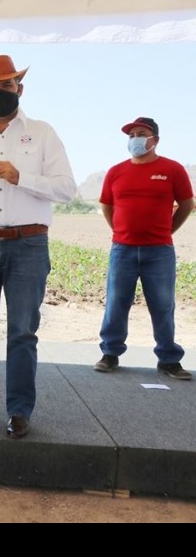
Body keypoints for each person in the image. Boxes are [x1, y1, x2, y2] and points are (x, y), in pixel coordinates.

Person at [0, 55, 76, 439]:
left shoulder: (42, 133)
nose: (0, 91)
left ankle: (19, 411)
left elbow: (66, 189)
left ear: (19, 88)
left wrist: (20, 176)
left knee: (22, 332)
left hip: (29, 243)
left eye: (7, 85)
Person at [94, 117, 194, 380]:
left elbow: (187, 204)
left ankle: (169, 359)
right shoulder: (116, 172)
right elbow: (106, 205)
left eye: (141, 134)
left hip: (159, 251)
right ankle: (110, 353)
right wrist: (120, 231)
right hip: (122, 250)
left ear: (154, 140)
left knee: (163, 304)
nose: (135, 139)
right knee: (116, 302)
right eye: (131, 135)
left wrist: (168, 230)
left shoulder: (172, 169)